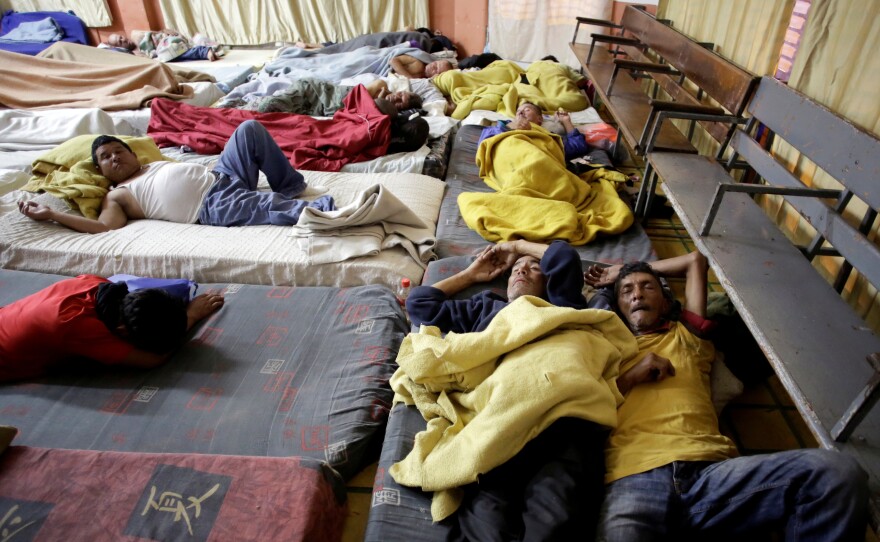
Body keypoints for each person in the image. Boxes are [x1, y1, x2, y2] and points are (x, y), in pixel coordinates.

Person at [584, 252, 869, 541]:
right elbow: (586, 408)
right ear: (618, 306)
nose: (637, 295)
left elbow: (695, 260)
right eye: (627, 291)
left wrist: (619, 272)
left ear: (666, 301)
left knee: (836, 473)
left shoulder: (688, 335)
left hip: (712, 475)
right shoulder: (610, 351)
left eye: (648, 287)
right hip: (633, 479)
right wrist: (632, 376)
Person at [406, 240, 608, 540]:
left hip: (559, 423)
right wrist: (472, 275)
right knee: (487, 521)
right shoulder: (486, 306)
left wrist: (516, 245)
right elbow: (419, 305)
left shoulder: (562, 305)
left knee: (556, 520)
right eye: (515, 269)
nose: (522, 271)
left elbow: (563, 255)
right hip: (499, 425)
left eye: (534, 267)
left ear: (549, 279)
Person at [18, 120, 335, 232]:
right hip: (210, 206)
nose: (114, 157)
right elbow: (102, 227)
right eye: (105, 158)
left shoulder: (151, 164)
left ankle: (292, 185)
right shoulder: (116, 195)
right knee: (265, 205)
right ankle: (327, 213)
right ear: (100, 170)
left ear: (133, 154)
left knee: (249, 130)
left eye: (118, 151)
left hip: (222, 175)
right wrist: (50, 215)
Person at [0, 275, 224, 382]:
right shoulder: (76, 325)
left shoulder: (97, 284)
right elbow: (152, 359)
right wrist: (191, 315)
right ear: (122, 330)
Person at [234, 77, 422, 116]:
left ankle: (238, 110)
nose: (395, 98)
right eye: (400, 95)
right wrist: (382, 95)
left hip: (314, 108)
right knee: (268, 106)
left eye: (399, 102)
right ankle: (234, 109)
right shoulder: (381, 86)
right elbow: (363, 95)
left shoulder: (385, 112)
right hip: (316, 92)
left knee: (272, 117)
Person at [478, 101, 592, 162]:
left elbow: (578, 146)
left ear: (540, 118)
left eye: (527, 110)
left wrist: (566, 121)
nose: (521, 113)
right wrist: (510, 127)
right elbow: (484, 145)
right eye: (518, 111)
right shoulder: (503, 126)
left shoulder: (546, 134)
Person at [100, 31, 221, 62]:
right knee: (168, 56)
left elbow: (157, 34)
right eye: (120, 42)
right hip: (164, 55)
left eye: (121, 37)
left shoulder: (139, 37)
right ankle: (203, 50)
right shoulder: (130, 54)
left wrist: (164, 31)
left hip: (169, 44)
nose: (123, 40)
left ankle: (203, 50)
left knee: (170, 52)